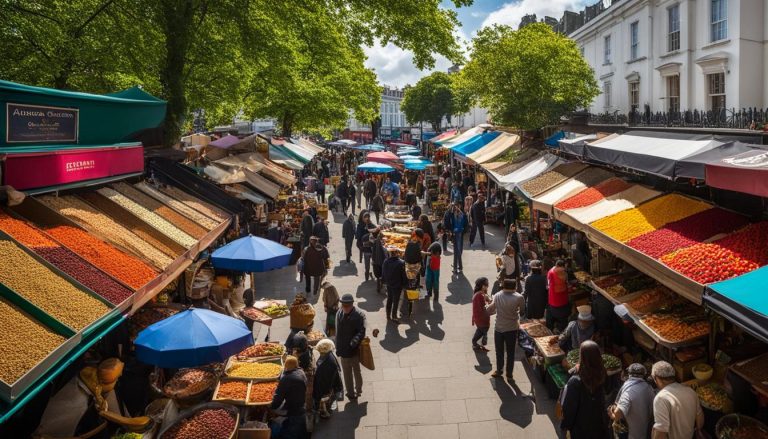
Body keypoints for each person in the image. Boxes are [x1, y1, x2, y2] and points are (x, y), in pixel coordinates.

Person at [561, 341, 610, 439]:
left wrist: (565, 426)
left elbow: (569, 408)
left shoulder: (575, 381)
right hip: (599, 427)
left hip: (580, 429)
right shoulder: (603, 375)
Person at [651, 361, 704, 439]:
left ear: (657, 379)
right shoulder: (691, 391)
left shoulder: (661, 398)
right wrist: (697, 430)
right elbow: (700, 418)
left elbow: (660, 433)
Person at [486, 278, 524, 380]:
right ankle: (509, 374)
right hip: (511, 329)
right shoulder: (519, 297)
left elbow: (491, 309)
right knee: (510, 352)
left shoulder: (497, 295)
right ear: (514, 287)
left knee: (499, 351)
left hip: (498, 328)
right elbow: (523, 311)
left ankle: (499, 370)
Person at [609, 363, 654, 439]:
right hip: (646, 434)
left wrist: (611, 414)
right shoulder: (649, 388)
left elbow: (618, 414)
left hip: (631, 435)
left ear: (629, 374)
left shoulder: (628, 391)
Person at [335, 294, 366, 401]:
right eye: (344, 306)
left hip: (353, 351)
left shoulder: (358, 316)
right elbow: (337, 333)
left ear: (352, 305)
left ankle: (358, 390)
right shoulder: (339, 314)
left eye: (348, 306)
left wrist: (354, 343)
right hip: (343, 351)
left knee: (356, 372)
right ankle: (350, 393)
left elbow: (361, 332)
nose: (346, 308)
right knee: (347, 374)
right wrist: (337, 348)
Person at [270, 355, 308, 439]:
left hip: (293, 410)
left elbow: (278, 398)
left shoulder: (287, 378)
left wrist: (271, 407)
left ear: (286, 365)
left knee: (291, 433)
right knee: (301, 431)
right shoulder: (301, 372)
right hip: (301, 406)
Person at [313, 339, 343, 419]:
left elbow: (321, 381)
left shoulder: (325, 363)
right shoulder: (330, 355)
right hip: (332, 385)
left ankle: (324, 411)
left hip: (325, 388)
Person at [382, 246, 407, 323]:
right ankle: (394, 316)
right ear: (396, 253)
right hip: (397, 285)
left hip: (389, 284)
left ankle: (388, 315)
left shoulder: (386, 261)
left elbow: (383, 273)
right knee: (396, 300)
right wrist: (404, 285)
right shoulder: (401, 263)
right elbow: (404, 275)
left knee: (389, 299)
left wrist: (384, 282)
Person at [547, 259, 570, 331]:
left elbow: (548, 285)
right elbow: (565, 281)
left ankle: (554, 330)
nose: (564, 269)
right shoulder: (562, 273)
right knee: (563, 321)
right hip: (561, 302)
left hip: (552, 301)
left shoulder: (550, 271)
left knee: (553, 320)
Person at [471, 277, 492, 351]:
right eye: (486, 284)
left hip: (479, 318)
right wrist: (490, 303)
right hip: (481, 318)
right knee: (483, 329)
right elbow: (484, 307)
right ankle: (477, 342)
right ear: (482, 286)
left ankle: (478, 342)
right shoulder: (480, 295)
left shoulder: (479, 294)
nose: (488, 286)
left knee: (480, 330)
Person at [448, 203, 468, 274]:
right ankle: (459, 267)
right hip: (457, 234)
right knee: (457, 251)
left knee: (457, 251)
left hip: (458, 234)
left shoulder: (461, 215)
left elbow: (466, 224)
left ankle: (456, 268)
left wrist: (462, 231)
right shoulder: (455, 214)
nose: (456, 208)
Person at [371, 229, 387, 293]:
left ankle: (379, 286)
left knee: (378, 275)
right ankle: (381, 284)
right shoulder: (383, 243)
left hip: (377, 261)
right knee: (382, 274)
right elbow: (385, 254)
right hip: (382, 261)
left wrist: (373, 260)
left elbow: (373, 252)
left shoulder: (376, 242)